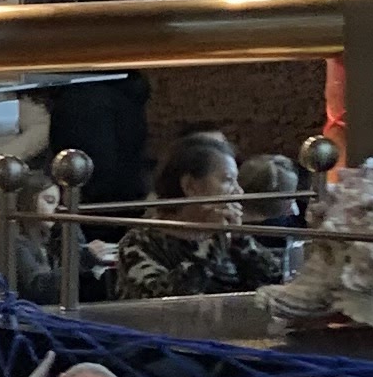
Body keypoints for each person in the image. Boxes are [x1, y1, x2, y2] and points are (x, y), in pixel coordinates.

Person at [109, 129, 283, 304]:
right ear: (190, 186)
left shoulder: (228, 236)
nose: (239, 192)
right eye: (228, 180)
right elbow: (166, 301)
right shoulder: (140, 243)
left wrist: (239, 238)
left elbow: (274, 281)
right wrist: (211, 250)